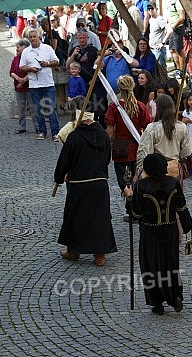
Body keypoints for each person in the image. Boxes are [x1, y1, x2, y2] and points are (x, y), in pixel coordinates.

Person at [124, 153, 192, 315]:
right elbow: (182, 208)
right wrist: (188, 226)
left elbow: (136, 214)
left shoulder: (141, 187)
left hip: (150, 232)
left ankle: (157, 303)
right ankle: (174, 295)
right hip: (169, 231)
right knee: (170, 264)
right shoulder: (173, 184)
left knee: (151, 266)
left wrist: (129, 198)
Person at [54, 104, 117, 266]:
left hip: (79, 185)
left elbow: (64, 161)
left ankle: (74, 250)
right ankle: (99, 255)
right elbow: (107, 157)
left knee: (76, 217)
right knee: (99, 218)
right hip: (99, 184)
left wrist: (59, 178)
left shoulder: (74, 137)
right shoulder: (103, 135)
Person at [105, 75, 152, 195]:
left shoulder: (114, 107)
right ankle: (136, 207)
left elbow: (109, 131)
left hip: (121, 150)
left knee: (125, 181)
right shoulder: (140, 106)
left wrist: (104, 148)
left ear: (119, 88)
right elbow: (147, 127)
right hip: (137, 148)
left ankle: (129, 204)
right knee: (137, 178)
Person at [20, 29, 61, 140]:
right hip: (34, 84)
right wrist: (29, 69)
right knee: (38, 109)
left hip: (47, 83)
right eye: (31, 37)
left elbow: (56, 61)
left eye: (34, 36)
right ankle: (42, 131)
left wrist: (47, 63)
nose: (33, 39)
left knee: (50, 108)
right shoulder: (26, 51)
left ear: (39, 37)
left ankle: (55, 132)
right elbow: (21, 66)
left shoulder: (47, 48)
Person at [9, 38, 38, 135]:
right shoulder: (15, 58)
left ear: (24, 48)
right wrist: (18, 79)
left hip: (29, 86)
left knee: (32, 107)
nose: (16, 49)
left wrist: (24, 80)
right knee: (21, 107)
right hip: (18, 86)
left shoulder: (29, 58)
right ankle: (22, 126)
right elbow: (11, 71)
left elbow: (33, 71)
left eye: (18, 47)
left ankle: (37, 126)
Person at [167, 0, 186, 70]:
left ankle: (182, 70)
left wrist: (174, 26)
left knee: (179, 49)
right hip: (172, 28)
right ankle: (177, 68)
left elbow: (182, 17)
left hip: (177, 28)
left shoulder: (178, 2)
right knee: (172, 49)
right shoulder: (172, 2)